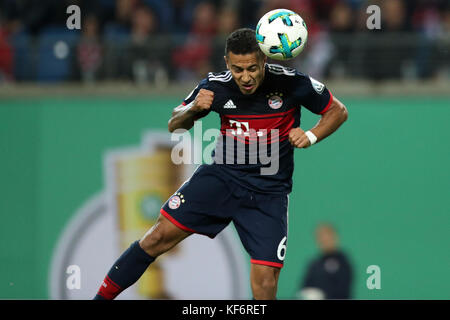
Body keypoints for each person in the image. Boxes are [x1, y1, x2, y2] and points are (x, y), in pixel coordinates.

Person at [93, 28, 348, 300]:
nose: (246, 77)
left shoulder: (292, 83)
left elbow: (338, 111)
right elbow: (174, 124)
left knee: (265, 282)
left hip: (268, 192)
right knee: (155, 238)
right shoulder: (214, 85)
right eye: (238, 69)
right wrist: (192, 109)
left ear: (264, 61)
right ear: (227, 63)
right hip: (222, 179)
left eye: (252, 68)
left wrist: (310, 136)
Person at [298, 223, 353, 300]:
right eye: (321, 238)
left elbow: (343, 291)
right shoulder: (314, 264)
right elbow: (305, 288)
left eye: (327, 237)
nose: (324, 241)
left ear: (334, 237)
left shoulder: (343, 263)